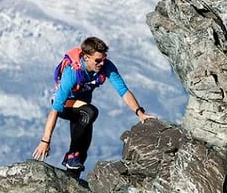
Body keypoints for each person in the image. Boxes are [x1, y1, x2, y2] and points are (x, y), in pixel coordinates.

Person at [32, 36, 156, 176]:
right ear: (86, 58)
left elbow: (123, 90)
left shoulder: (106, 66)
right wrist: (45, 141)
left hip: (83, 110)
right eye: (98, 60)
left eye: (104, 59)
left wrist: (140, 113)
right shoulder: (72, 72)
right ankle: (72, 155)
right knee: (90, 112)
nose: (102, 63)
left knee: (81, 153)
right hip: (65, 105)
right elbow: (55, 109)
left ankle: (72, 179)